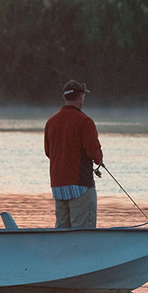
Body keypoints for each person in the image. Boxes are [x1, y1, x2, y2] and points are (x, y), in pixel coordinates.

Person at [44, 80, 103, 228]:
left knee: (62, 234)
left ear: (65, 98)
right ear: (80, 97)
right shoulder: (85, 122)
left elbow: (48, 152)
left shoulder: (51, 122)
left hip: (58, 186)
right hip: (80, 185)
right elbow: (94, 153)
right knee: (83, 233)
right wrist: (99, 159)